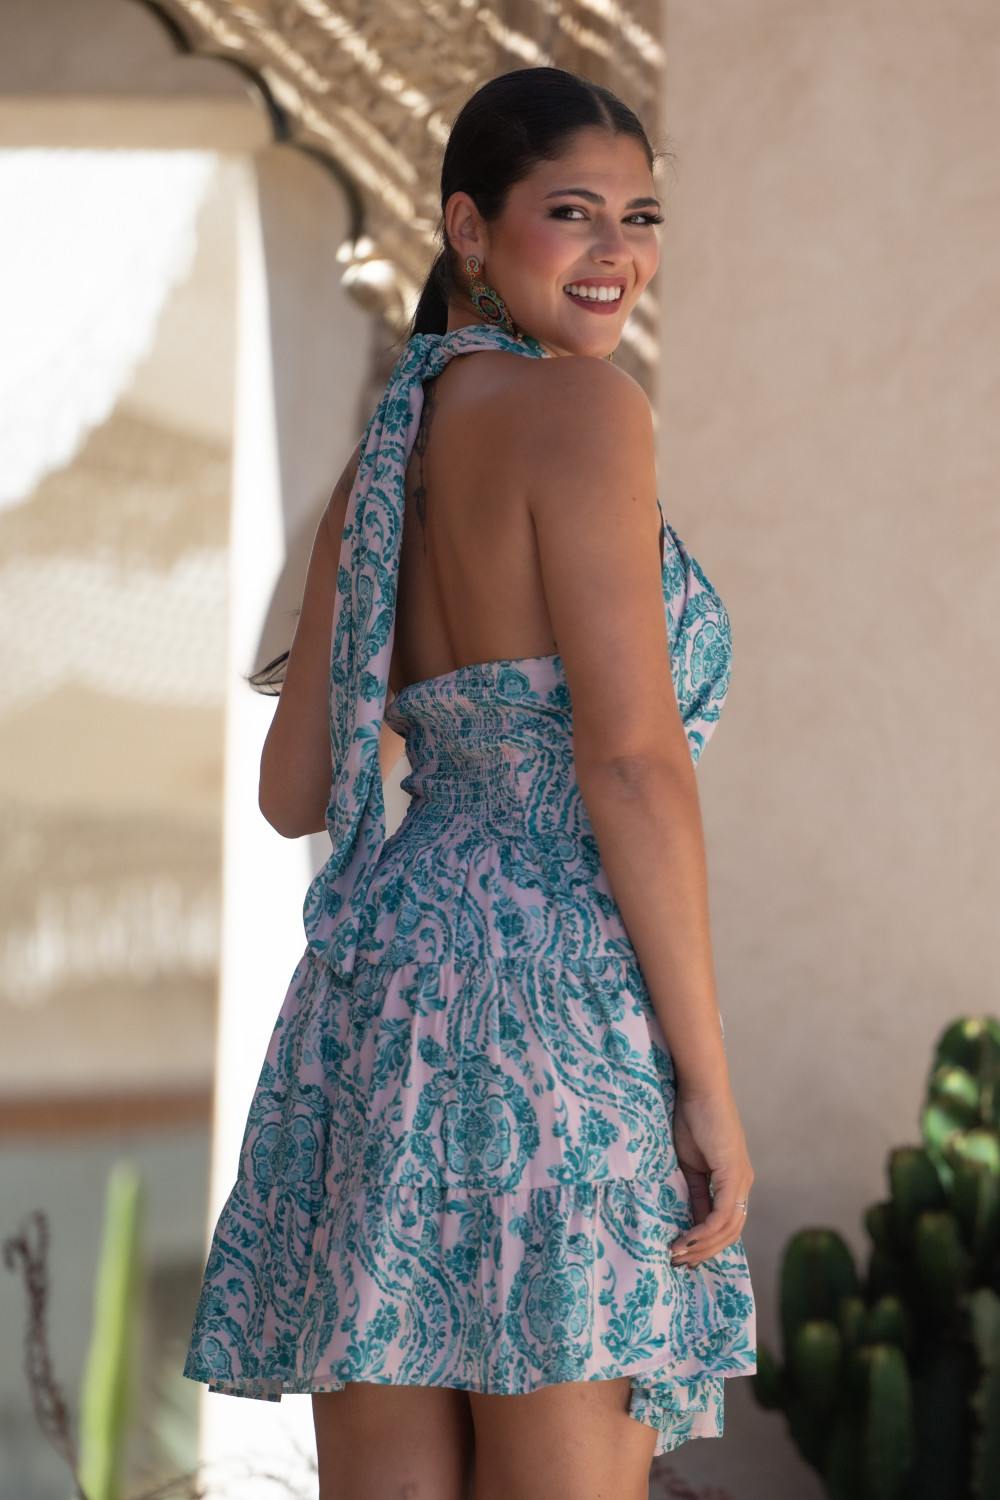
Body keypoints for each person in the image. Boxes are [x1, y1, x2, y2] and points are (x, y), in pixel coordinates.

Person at [185, 66, 756, 1500]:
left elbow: (296, 787)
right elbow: (632, 764)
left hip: (381, 997)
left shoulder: (387, 455)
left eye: (640, 216)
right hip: (557, 1002)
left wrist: (453, 721)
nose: (617, 251)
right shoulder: (588, 413)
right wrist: (706, 1085)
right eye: (574, 212)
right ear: (469, 228)